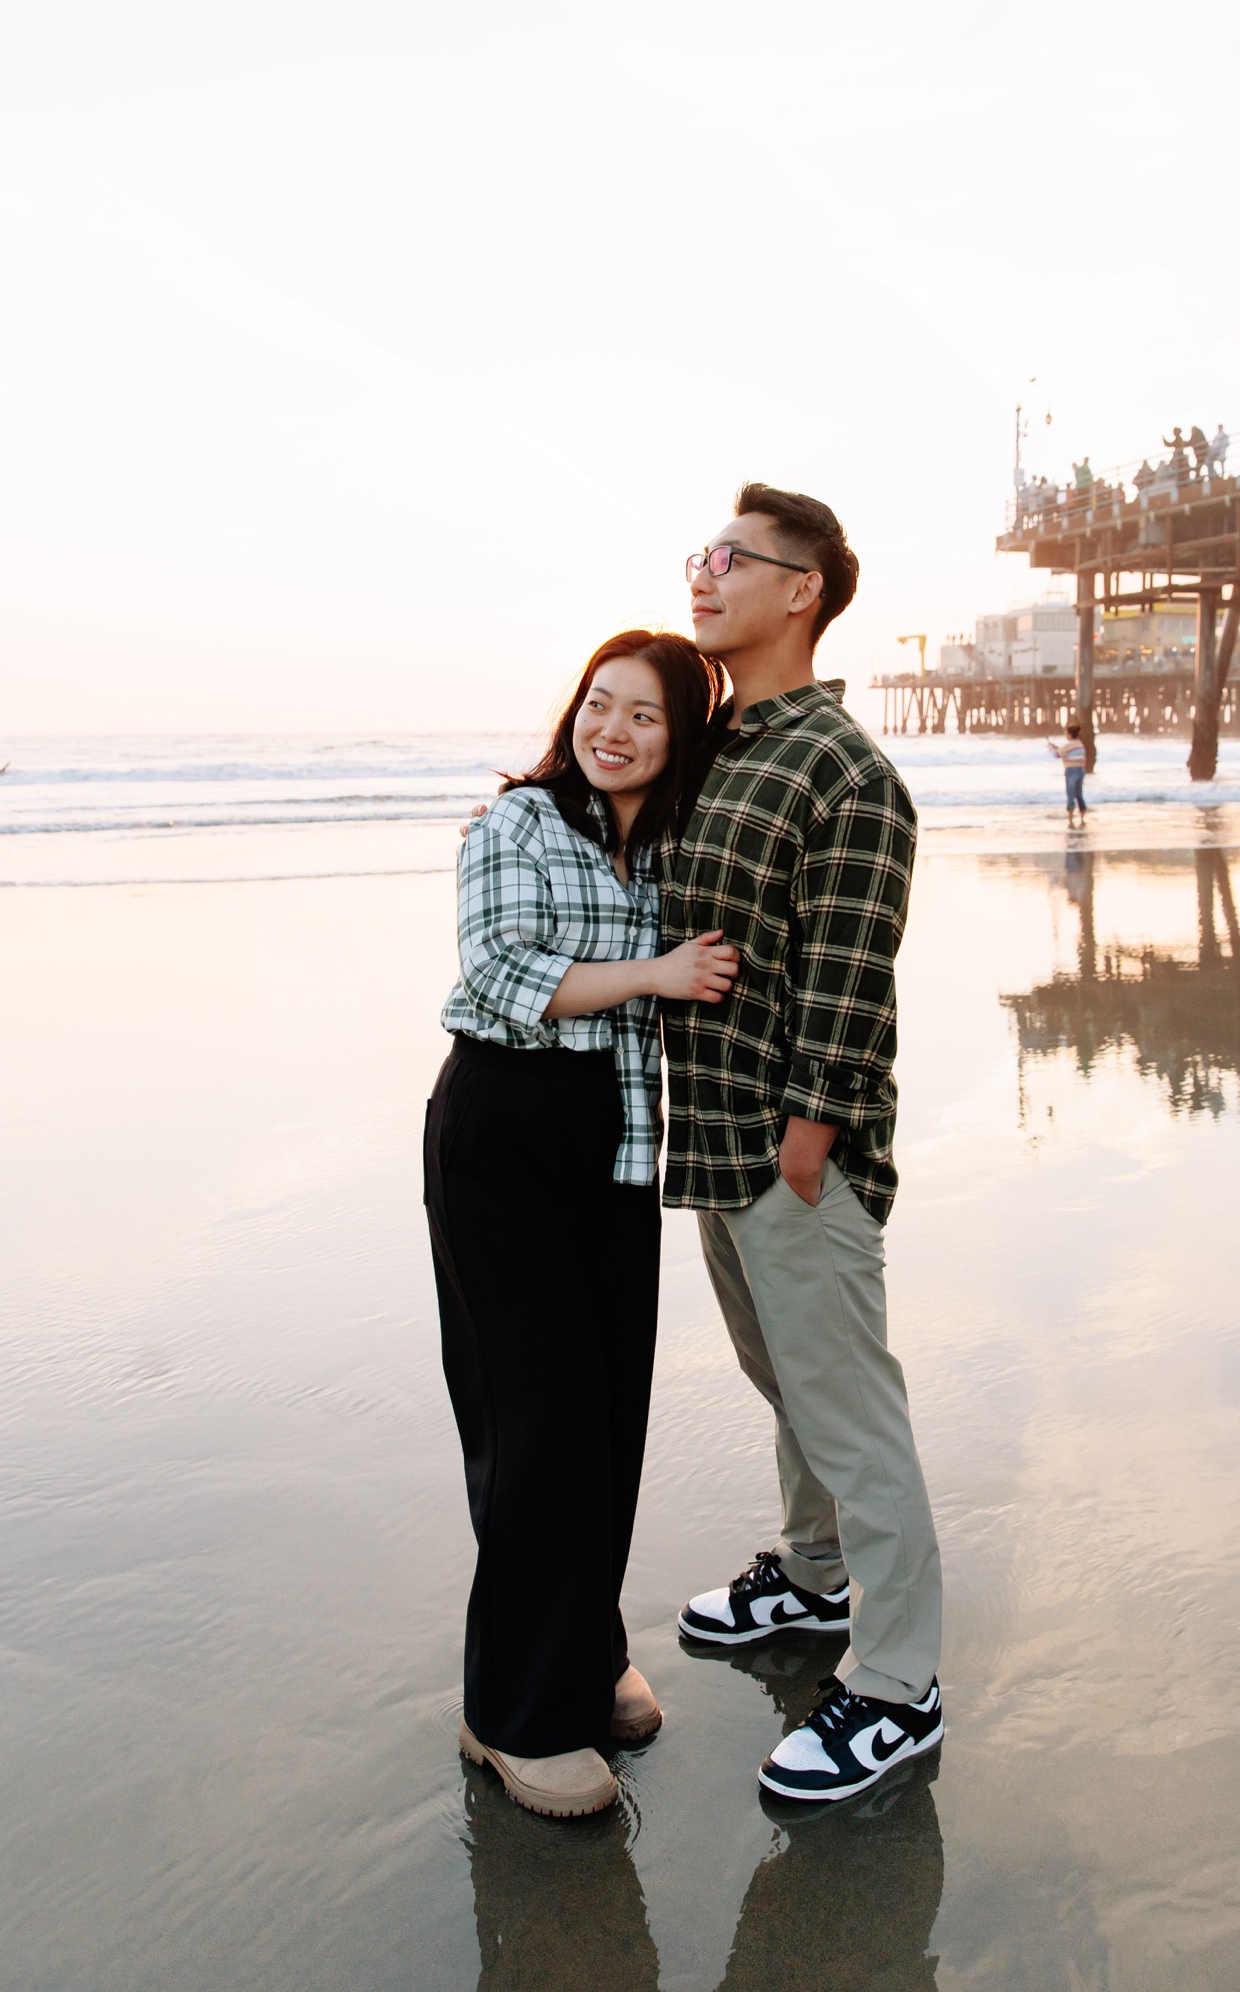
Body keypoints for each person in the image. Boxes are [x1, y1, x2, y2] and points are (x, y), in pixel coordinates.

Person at [425, 629, 736, 1819]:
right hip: (504, 1132)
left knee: (610, 1412)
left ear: (680, 737)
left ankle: (585, 1651)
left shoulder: (660, 846)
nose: (614, 729)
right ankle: (508, 1716)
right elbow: (501, 972)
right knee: (538, 1424)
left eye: (646, 715)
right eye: (601, 704)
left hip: (615, 1139)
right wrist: (656, 974)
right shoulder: (518, 823)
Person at [666, 484, 944, 1805]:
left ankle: (898, 1682)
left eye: (731, 558)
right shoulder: (719, 743)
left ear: (802, 593)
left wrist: (807, 1143)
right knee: (788, 1375)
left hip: (795, 1153)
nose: (703, 574)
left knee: (850, 1404)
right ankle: (816, 1574)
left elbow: (850, 978)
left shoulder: (844, 768)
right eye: (700, 552)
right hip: (716, 1139)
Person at [1049, 721, 1089, 823]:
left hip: (1071, 771)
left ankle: (1070, 818)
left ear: (1069, 734)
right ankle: (1082, 817)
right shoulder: (1079, 744)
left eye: (1066, 733)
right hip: (1081, 771)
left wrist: (1051, 749)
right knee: (1079, 794)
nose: (1065, 735)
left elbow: (1056, 755)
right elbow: (1066, 752)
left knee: (1070, 794)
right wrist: (1057, 748)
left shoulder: (1068, 745)